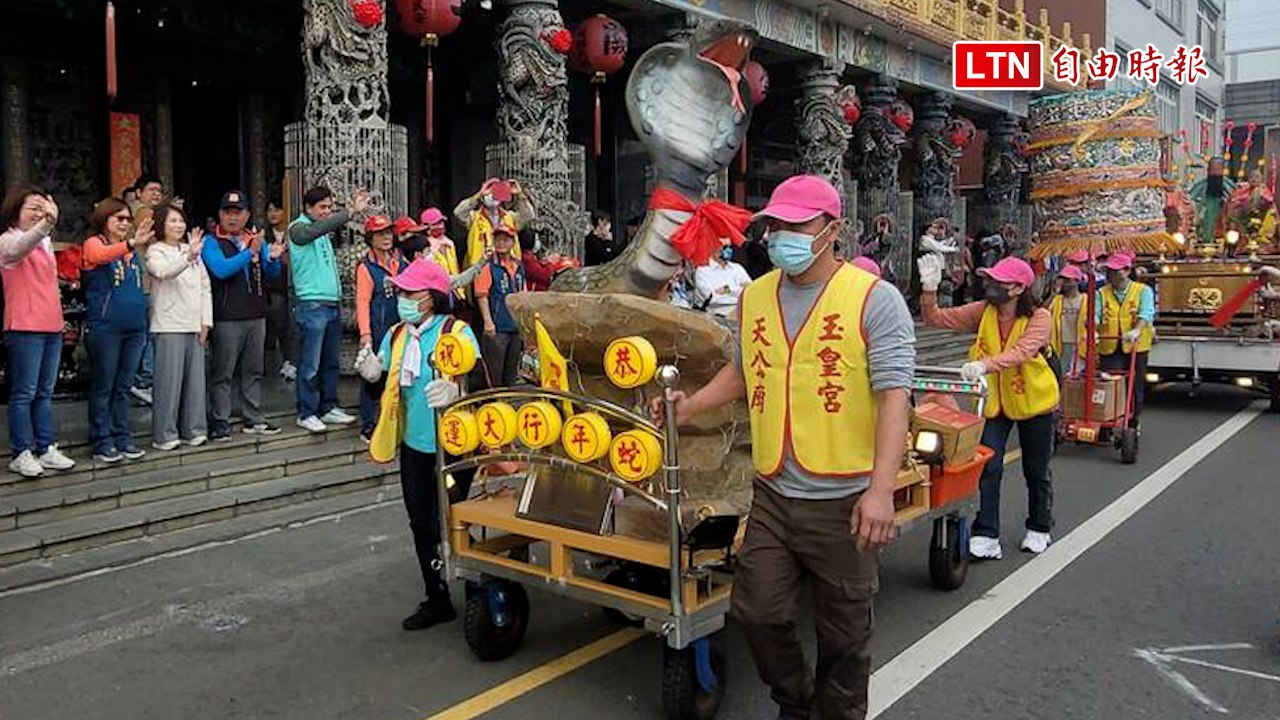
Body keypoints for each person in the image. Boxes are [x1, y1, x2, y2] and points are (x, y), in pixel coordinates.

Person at [654, 175, 914, 720]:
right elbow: (745, 372)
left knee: (843, 637)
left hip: (845, 497)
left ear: (831, 230)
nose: (781, 235)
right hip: (773, 491)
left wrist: (882, 490)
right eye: (775, 225)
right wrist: (689, 406)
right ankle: (795, 701)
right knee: (758, 612)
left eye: (797, 224)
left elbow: (895, 396)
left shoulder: (874, 299)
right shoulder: (757, 295)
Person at [355, 257, 480, 631]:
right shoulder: (396, 334)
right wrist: (372, 377)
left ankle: (479, 588)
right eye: (401, 291)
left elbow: (481, 379)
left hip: (455, 446)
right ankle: (437, 596)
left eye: (410, 292)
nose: (402, 297)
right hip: (414, 444)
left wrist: (457, 390)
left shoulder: (455, 331)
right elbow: (383, 389)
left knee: (456, 517)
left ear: (431, 297)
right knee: (420, 521)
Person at [919, 253, 1058, 559]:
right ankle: (987, 533)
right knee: (988, 466)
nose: (990, 284)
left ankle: (1039, 526)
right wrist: (929, 290)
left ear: (1018, 288)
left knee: (1036, 470)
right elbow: (937, 319)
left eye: (998, 281)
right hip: (995, 403)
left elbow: (1022, 352)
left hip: (1035, 402)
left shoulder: (1039, 317)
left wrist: (983, 365)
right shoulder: (983, 311)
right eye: (990, 279)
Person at [0, 184, 76, 476]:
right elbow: (21, 248)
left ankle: (45, 448)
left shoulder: (43, 243)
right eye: (33, 208)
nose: (39, 214)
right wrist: (46, 223)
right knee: (24, 392)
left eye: (43, 208)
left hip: (50, 324)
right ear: (15, 211)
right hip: (23, 325)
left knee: (45, 391)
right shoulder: (8, 241)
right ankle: (21, 451)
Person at [203, 190, 285, 440]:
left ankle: (254, 416)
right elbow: (220, 270)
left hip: (256, 314)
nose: (232, 218)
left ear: (247, 215)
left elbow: (269, 276)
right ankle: (220, 419)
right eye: (227, 212)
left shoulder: (254, 239)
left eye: (238, 213)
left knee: (253, 370)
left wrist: (272, 259)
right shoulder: (210, 241)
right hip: (227, 316)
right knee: (223, 372)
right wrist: (250, 252)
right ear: (219, 215)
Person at [288, 186, 368, 433]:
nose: (326, 212)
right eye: (322, 207)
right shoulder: (298, 228)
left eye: (329, 208)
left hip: (330, 302)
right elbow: (313, 230)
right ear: (308, 208)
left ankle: (328, 406)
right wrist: (349, 212)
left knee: (329, 361)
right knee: (310, 364)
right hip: (311, 303)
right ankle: (307, 411)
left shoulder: (321, 232)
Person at [82, 198, 154, 463]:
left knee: (123, 387)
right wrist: (132, 243)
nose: (124, 223)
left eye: (127, 219)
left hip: (134, 329)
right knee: (104, 386)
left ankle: (122, 436)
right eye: (119, 218)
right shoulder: (94, 243)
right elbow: (98, 256)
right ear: (104, 219)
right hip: (106, 328)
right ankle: (101, 440)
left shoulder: (131, 253)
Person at [145, 204, 212, 450]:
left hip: (193, 323)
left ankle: (194, 429)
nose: (178, 225)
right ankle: (165, 434)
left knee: (195, 383)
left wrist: (206, 320)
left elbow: (205, 286)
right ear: (161, 224)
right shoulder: (156, 251)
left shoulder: (190, 249)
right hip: (169, 324)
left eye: (181, 221)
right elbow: (163, 273)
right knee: (168, 383)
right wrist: (189, 257)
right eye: (172, 221)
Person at [1088, 252, 1155, 430]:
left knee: (1134, 385)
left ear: (1126, 271)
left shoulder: (1143, 291)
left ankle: (1132, 422)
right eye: (1109, 271)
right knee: (1109, 383)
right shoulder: (1101, 292)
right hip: (1109, 344)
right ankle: (1106, 422)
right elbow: (1095, 313)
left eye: (1115, 271)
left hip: (1135, 346)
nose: (1110, 274)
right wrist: (1093, 328)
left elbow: (1146, 313)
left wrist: (1136, 330)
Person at [355, 215, 405, 444]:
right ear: (370, 238)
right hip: (378, 330)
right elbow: (362, 301)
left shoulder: (399, 263)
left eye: (388, 233)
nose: (386, 238)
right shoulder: (366, 268)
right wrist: (365, 335)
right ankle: (368, 425)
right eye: (380, 234)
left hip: (401, 330)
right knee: (374, 378)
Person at [473, 218, 525, 387]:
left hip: (515, 326)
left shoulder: (518, 265)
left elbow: (522, 293)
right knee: (494, 373)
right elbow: (482, 295)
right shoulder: (487, 265)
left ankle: (507, 406)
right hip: (497, 326)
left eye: (506, 239)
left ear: (513, 242)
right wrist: (488, 322)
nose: (501, 243)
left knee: (511, 372)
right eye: (498, 239)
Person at [454, 178, 534, 268]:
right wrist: (479, 194)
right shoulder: (474, 217)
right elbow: (458, 212)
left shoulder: (510, 217)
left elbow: (529, 216)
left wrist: (519, 194)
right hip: (480, 270)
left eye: (496, 191)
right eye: (489, 191)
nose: (492, 195)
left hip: (507, 268)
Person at [264, 199, 297, 382]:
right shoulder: (264, 235)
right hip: (274, 287)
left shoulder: (294, 233)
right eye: (269, 210)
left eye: (277, 209)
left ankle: (291, 361)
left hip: (294, 285)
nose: (273, 214)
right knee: (280, 323)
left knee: (294, 325)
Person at [693, 243, 751, 319]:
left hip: (742, 315)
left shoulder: (737, 268)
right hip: (714, 318)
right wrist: (739, 297)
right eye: (723, 246)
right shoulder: (703, 271)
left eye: (728, 246)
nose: (726, 249)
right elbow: (712, 299)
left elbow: (750, 290)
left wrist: (728, 289)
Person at [1049, 264, 1086, 377]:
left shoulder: (1085, 299)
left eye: (1067, 279)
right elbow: (1045, 311)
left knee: (1076, 374)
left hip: (1079, 343)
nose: (1064, 282)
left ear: (1076, 281)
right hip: (1061, 343)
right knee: (1061, 373)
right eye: (1063, 279)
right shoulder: (1058, 300)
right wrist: (1053, 294)